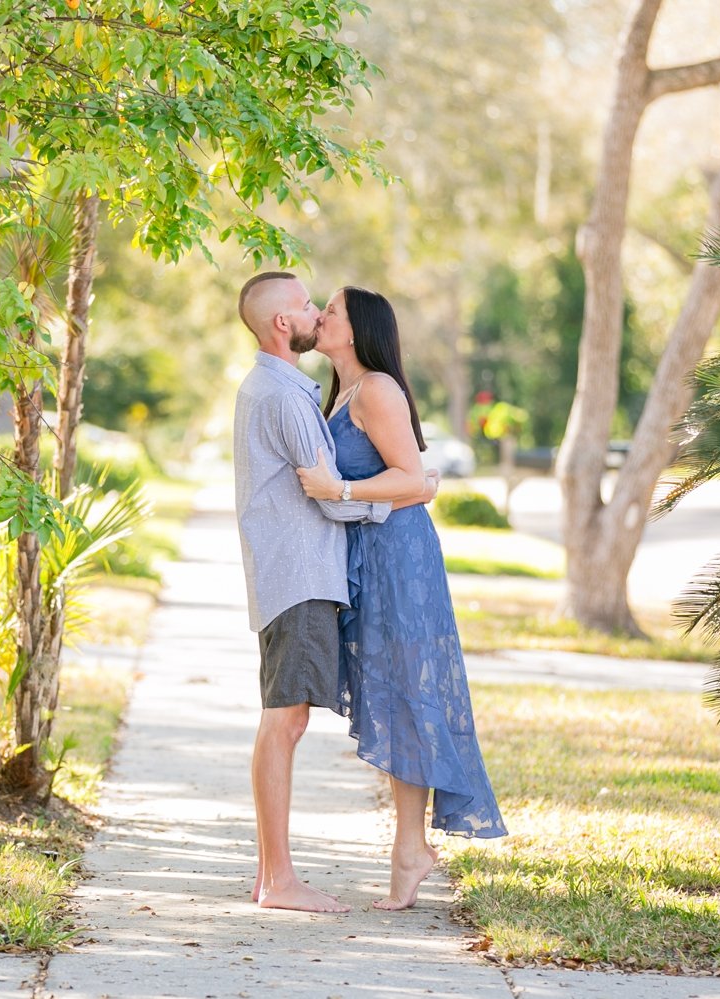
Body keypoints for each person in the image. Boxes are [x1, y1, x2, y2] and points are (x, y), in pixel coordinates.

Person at [232, 272, 438, 914]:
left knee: (289, 720)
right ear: (280, 327)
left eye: (325, 308)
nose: (315, 312)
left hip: (315, 573)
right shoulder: (291, 398)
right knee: (285, 720)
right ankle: (279, 882)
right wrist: (410, 490)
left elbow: (328, 489)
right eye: (304, 306)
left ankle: (279, 877)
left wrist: (393, 491)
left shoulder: (299, 390)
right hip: (302, 575)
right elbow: (322, 492)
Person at [297, 286, 507, 911]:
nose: (320, 316)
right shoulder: (345, 393)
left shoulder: (378, 389)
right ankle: (410, 849)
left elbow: (413, 482)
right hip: (373, 554)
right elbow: (414, 477)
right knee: (390, 692)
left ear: (357, 329)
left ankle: (409, 849)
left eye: (330, 310)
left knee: (407, 691)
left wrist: (335, 491)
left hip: (399, 559)